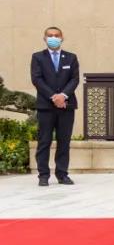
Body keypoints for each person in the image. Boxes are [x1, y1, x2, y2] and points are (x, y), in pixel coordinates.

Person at [30, 27, 80, 187]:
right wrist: (54, 97)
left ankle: (62, 174)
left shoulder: (71, 57)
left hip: (66, 105)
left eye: (56, 35)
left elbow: (74, 79)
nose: (53, 38)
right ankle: (43, 175)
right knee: (44, 141)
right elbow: (37, 79)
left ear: (62, 37)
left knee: (64, 141)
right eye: (50, 35)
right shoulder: (37, 57)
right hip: (46, 106)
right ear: (44, 38)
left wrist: (63, 96)